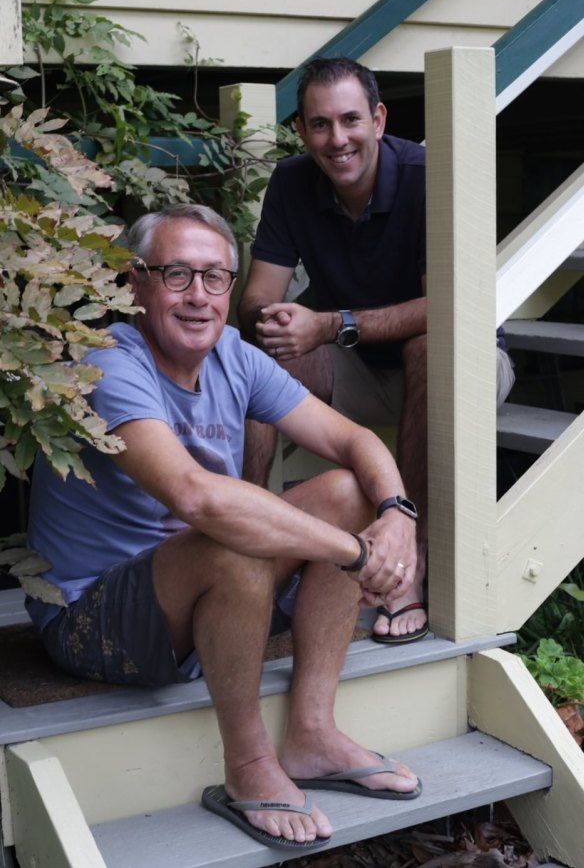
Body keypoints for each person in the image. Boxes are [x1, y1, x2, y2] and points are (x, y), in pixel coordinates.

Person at [26, 204, 422, 854]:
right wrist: (356, 552)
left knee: (352, 492)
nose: (199, 296)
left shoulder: (234, 356)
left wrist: (397, 518)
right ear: (133, 284)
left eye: (215, 278)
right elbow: (196, 497)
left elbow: (352, 441)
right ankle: (248, 767)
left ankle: (313, 733)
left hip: (197, 593)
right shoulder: (107, 364)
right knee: (232, 541)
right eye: (177, 274)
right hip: (92, 617)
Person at [237, 56, 515, 647]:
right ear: (301, 131)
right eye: (319, 124)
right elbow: (257, 295)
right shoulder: (292, 180)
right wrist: (277, 319)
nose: (337, 140)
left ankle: (405, 562)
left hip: (459, 367)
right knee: (257, 354)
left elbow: (455, 306)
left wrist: (332, 323)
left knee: (425, 348)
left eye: (350, 120)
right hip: (357, 366)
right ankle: (246, 538)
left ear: (379, 118)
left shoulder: (425, 174)